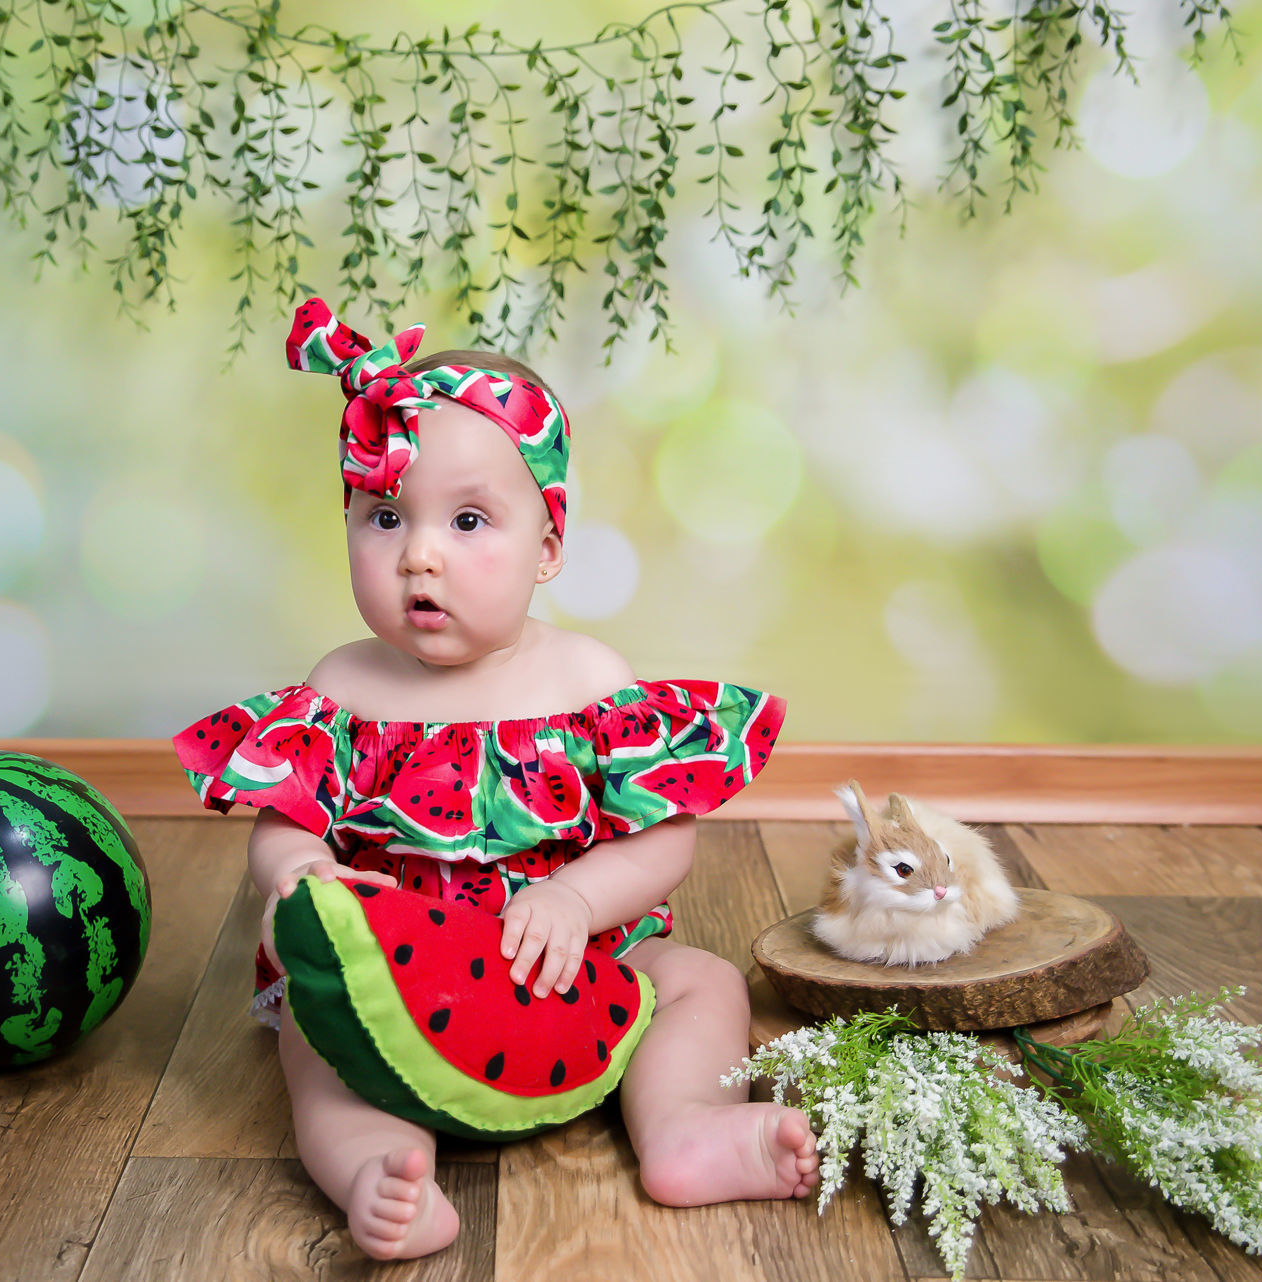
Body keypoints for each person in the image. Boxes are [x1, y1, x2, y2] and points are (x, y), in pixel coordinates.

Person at [172, 298, 818, 1260]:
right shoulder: (341, 690)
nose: (419, 554)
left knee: (701, 984)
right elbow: (280, 817)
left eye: (469, 519)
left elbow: (664, 834)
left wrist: (574, 896)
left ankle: (683, 1129)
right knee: (314, 1041)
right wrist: (301, 874)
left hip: (574, 963)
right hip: (385, 982)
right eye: (385, 515)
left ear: (549, 546)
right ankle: (379, 1172)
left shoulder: (591, 681)